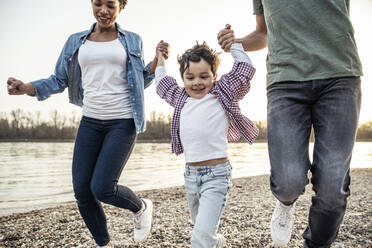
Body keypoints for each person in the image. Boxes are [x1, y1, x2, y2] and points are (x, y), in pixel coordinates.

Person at [6, 0, 168, 247]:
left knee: (102, 188)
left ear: (121, 7)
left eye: (111, 5)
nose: (103, 10)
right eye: (98, 3)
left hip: (122, 121)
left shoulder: (132, 39)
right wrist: (28, 88)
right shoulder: (76, 41)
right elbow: (59, 79)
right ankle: (104, 244)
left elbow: (140, 80)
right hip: (91, 121)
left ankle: (141, 206)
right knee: (82, 191)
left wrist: (156, 62)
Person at [217, 1, 362, 247]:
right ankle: (285, 202)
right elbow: (264, 33)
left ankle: (316, 244)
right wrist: (236, 43)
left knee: (332, 188)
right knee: (287, 183)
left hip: (340, 76)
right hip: (285, 81)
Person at [155, 27, 259, 248]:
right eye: (190, 77)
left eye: (204, 76)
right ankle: (216, 241)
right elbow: (161, 82)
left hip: (217, 175)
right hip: (190, 176)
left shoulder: (222, 92)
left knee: (199, 237)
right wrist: (160, 59)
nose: (197, 82)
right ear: (182, 78)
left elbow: (245, 69)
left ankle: (208, 241)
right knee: (199, 225)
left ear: (215, 76)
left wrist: (234, 46)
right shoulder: (180, 97)